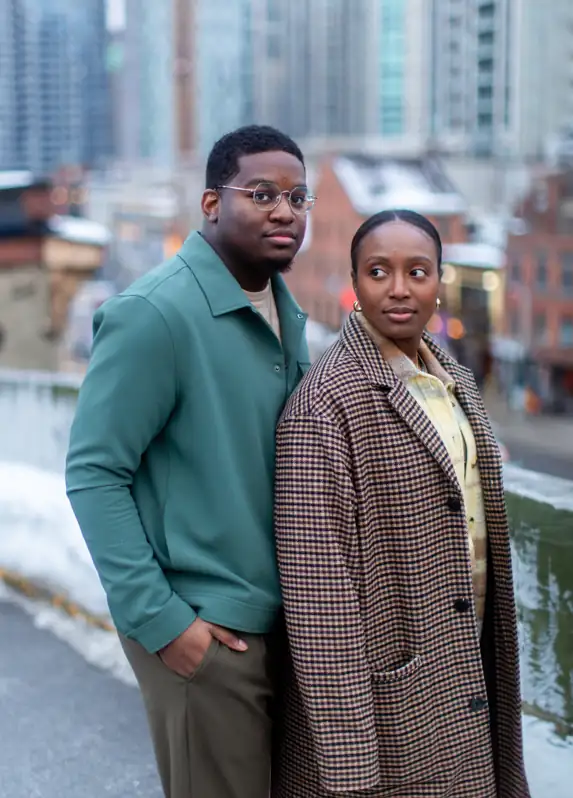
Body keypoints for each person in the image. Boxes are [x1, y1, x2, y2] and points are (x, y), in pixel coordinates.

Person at [65, 124, 314, 798]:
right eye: (262, 194)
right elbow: (94, 472)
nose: (284, 211)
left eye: (297, 197)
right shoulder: (155, 314)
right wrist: (163, 622)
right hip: (205, 632)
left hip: (280, 624)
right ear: (211, 204)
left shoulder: (284, 313)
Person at [273, 210, 530, 797]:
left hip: (467, 665)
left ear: (439, 280)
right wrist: (349, 768)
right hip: (388, 704)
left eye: (417, 272)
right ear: (355, 282)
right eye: (378, 271)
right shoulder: (325, 405)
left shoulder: (455, 381)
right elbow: (319, 599)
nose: (398, 289)